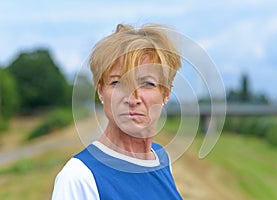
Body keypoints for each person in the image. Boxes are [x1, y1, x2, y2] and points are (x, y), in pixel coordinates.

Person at [52, 23, 182, 200]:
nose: (132, 98)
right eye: (117, 83)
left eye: (147, 83)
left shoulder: (161, 159)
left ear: (166, 93)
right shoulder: (79, 177)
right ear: (100, 91)